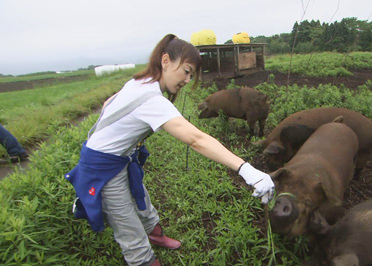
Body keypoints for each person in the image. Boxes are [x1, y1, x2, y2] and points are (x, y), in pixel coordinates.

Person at [64, 34, 275, 266]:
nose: (187, 79)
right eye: (186, 71)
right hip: (103, 167)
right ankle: (143, 258)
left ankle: (157, 236)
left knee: (142, 202)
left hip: (121, 157)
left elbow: (108, 103)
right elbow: (196, 139)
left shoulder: (139, 82)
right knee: (129, 229)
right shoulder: (151, 99)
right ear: (165, 60)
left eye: (192, 75)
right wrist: (247, 170)